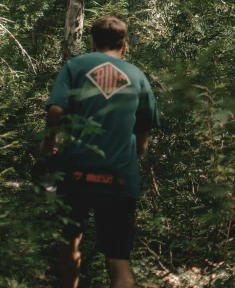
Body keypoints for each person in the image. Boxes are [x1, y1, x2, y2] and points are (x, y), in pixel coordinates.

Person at [39, 15, 160, 288]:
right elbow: (143, 135)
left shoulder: (75, 67)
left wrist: (48, 147)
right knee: (118, 258)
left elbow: (56, 110)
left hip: (76, 170)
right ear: (124, 45)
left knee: (70, 241)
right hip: (119, 175)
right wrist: (128, 164)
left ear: (92, 43)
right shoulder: (137, 76)